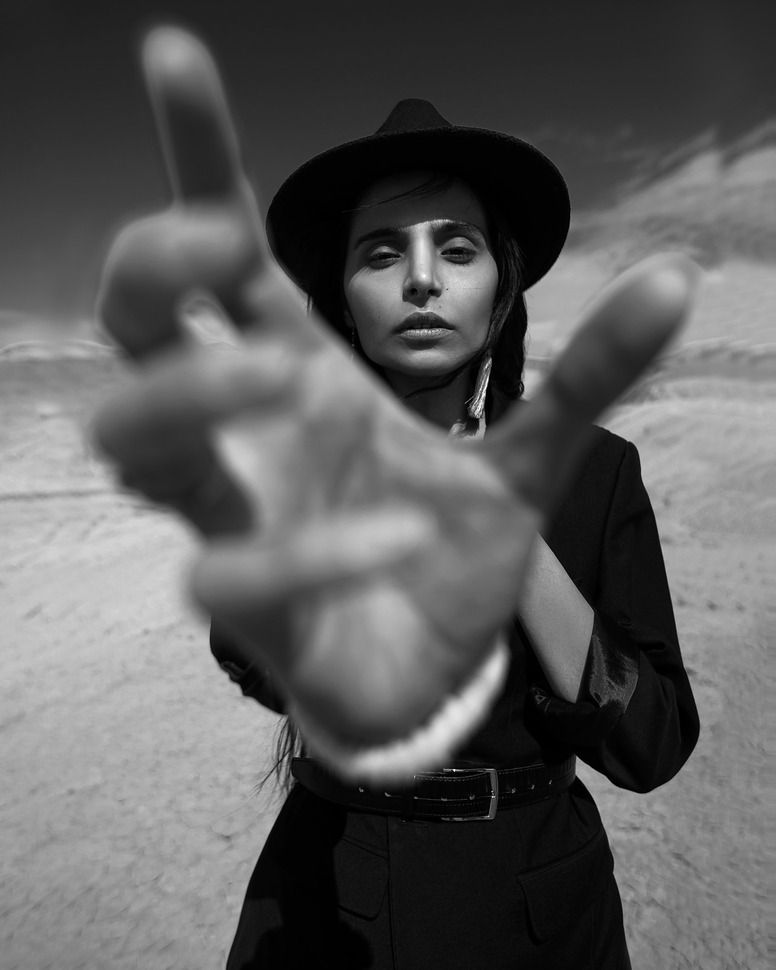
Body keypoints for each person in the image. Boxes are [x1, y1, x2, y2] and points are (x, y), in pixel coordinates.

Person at [94, 26, 700, 970]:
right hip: (331, 902)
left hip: (539, 909)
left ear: (501, 283)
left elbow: (654, 743)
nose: (421, 277)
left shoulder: (596, 472)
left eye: (456, 249)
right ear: (341, 300)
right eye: (380, 254)